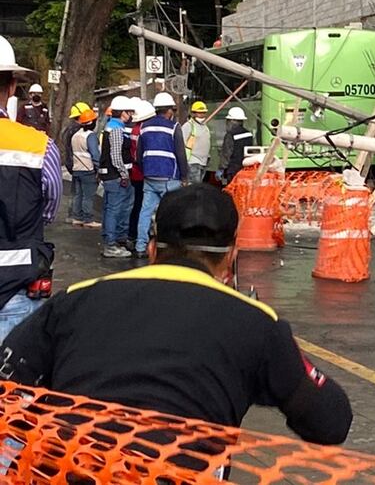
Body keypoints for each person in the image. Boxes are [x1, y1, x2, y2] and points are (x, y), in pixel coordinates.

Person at [0, 183, 353, 445]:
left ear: (152, 250)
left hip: (77, 468)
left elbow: (8, 383)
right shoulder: (257, 324)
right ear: (231, 257)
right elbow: (330, 422)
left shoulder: (75, 301)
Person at [0, 36, 61, 341]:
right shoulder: (39, 146)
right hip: (17, 283)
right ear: (12, 87)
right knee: (14, 383)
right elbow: (48, 207)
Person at [135, 92, 189, 259]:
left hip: (150, 176)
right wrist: (184, 176)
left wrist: (146, 170)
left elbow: (139, 154)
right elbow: (181, 153)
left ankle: (140, 246)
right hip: (169, 176)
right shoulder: (174, 127)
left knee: (145, 212)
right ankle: (170, 247)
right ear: (170, 111)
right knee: (171, 212)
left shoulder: (144, 127)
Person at [99, 96, 136, 258]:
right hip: (115, 176)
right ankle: (111, 244)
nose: (131, 115)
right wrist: (124, 174)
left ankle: (114, 239)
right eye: (129, 112)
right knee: (114, 210)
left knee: (111, 209)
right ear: (123, 113)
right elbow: (115, 155)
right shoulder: (115, 129)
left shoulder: (112, 126)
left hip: (111, 175)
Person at [128, 99, 154, 248]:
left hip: (135, 173)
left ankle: (133, 234)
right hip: (141, 173)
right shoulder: (142, 130)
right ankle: (137, 236)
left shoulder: (135, 129)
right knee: (142, 207)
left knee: (137, 205)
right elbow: (140, 155)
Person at [69, 107, 101, 229]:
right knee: (88, 196)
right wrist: (98, 170)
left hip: (76, 169)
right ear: (92, 122)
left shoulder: (76, 135)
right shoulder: (90, 136)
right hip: (88, 170)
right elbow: (95, 154)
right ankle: (88, 219)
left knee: (78, 194)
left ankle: (77, 217)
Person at [61, 102, 91, 224]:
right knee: (79, 191)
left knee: (76, 190)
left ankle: (73, 214)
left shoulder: (68, 129)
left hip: (71, 162)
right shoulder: (77, 130)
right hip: (78, 163)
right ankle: (76, 214)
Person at [218, 107, 251, 185]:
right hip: (245, 168)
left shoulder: (230, 135)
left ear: (231, 121)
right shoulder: (249, 134)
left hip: (233, 170)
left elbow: (226, 154)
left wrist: (221, 168)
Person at [182, 101, 212, 183]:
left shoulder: (205, 127)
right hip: (193, 162)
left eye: (203, 113)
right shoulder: (188, 126)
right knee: (195, 187)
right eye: (199, 113)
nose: (202, 115)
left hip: (203, 162)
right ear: (193, 114)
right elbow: (182, 143)